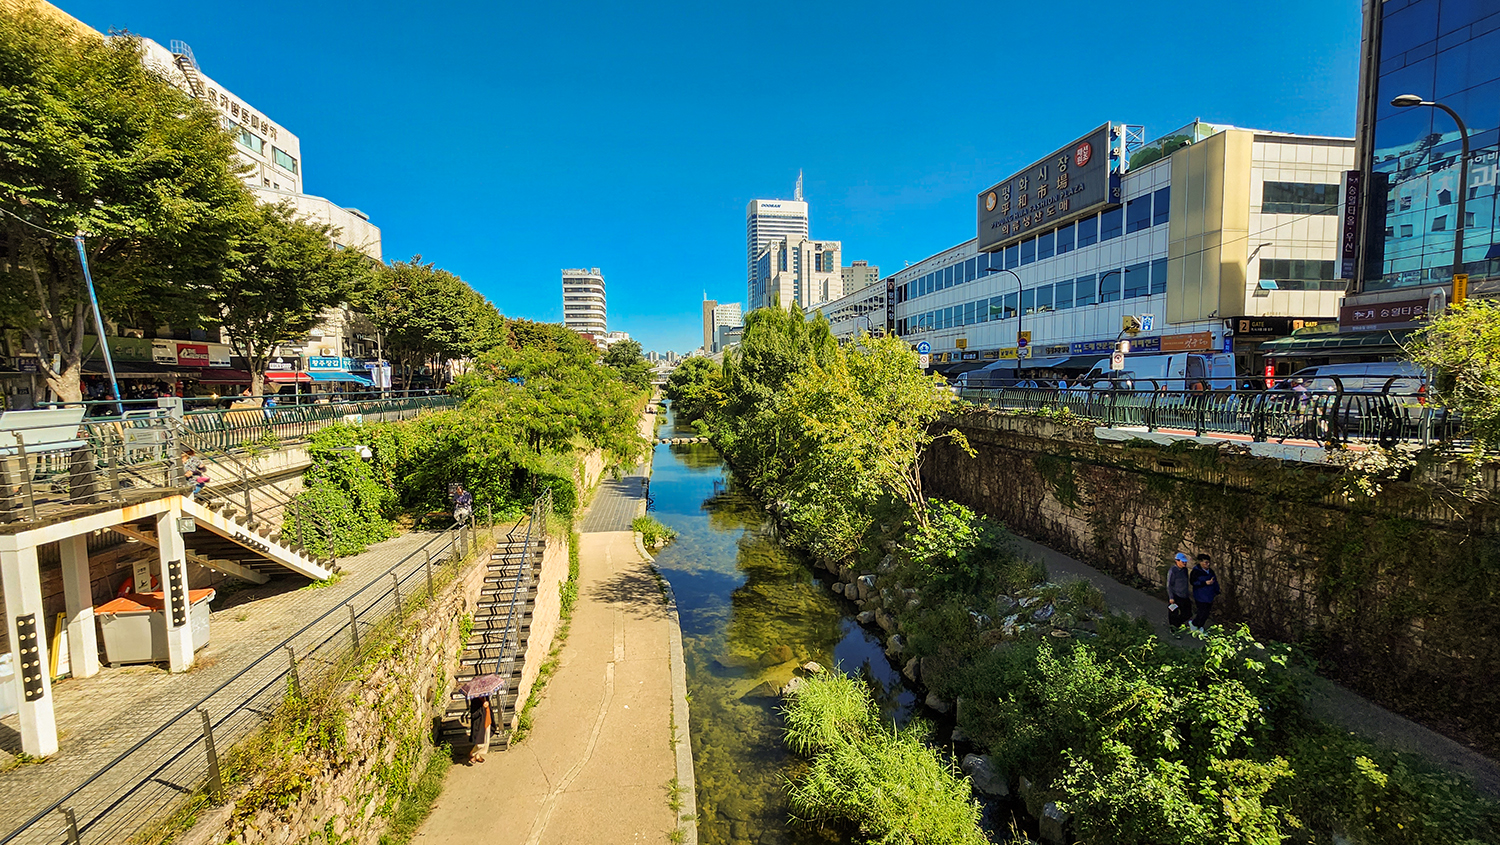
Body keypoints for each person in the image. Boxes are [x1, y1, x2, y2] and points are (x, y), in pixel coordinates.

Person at [1190, 554, 1220, 631]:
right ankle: (1195, 624)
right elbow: (1193, 582)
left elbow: (1215, 582)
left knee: (1206, 613)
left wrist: (1216, 591)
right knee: (1201, 612)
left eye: (1209, 562)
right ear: (1200, 562)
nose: (1208, 564)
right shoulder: (1196, 571)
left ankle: (1200, 626)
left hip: (1209, 596)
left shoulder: (1211, 572)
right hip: (1200, 596)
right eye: (1206, 562)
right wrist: (1204, 583)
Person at [1167, 552, 1193, 637]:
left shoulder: (1185, 570)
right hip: (1176, 596)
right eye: (1183, 562)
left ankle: (1178, 624)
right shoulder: (1173, 571)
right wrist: (1171, 597)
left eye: (1185, 562)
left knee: (1188, 613)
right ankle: (1174, 629)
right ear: (1177, 561)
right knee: (1173, 614)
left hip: (1184, 595)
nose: (1185, 563)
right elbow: (1169, 585)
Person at [467, 695, 491, 763]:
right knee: (480, 744)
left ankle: (477, 755)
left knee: (486, 741)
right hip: (480, 724)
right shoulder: (475, 701)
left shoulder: (486, 697)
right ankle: (472, 754)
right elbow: (474, 715)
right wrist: (483, 707)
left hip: (487, 721)